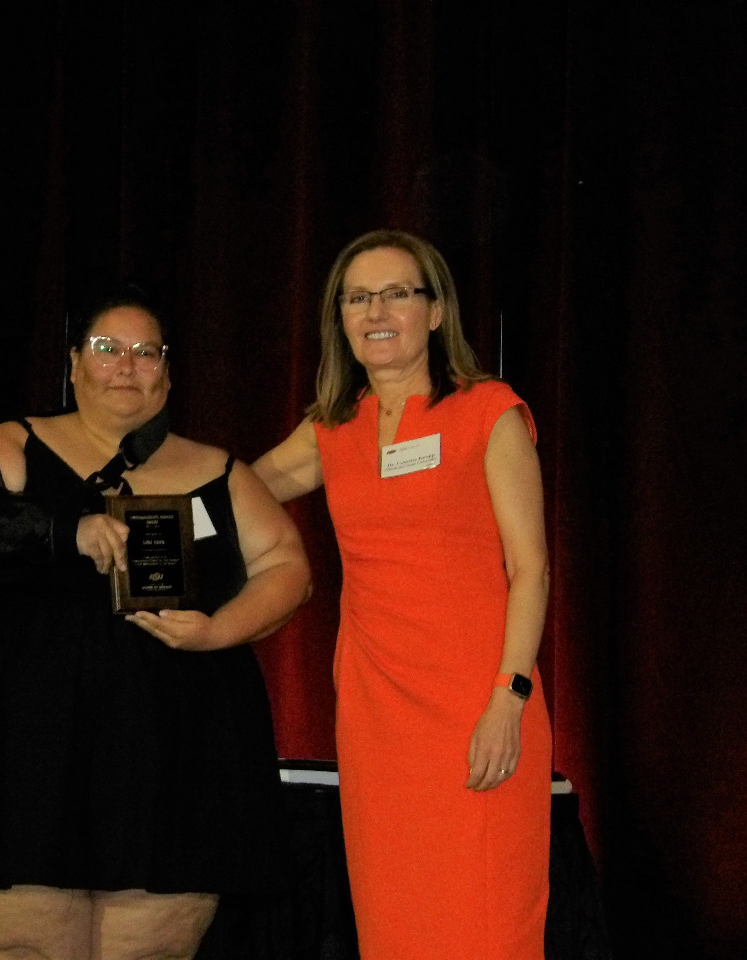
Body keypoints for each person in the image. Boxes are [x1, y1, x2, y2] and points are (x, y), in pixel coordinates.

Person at [0, 290, 311, 960]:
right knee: (20, 941)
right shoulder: (19, 441)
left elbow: (287, 566)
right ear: (74, 365)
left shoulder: (217, 468)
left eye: (146, 353)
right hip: (18, 743)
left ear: (168, 374)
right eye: (108, 349)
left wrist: (217, 630)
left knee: (149, 949)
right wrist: (63, 532)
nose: (127, 366)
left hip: (172, 750)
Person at [252, 229, 552, 960]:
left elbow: (532, 569)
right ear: (340, 317)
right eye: (358, 297)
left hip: (477, 706)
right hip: (377, 717)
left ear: (436, 311)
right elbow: (237, 496)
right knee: (394, 929)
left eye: (396, 293)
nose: (375, 311)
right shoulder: (333, 428)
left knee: (486, 927)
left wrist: (508, 699)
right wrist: (133, 507)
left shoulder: (489, 411)